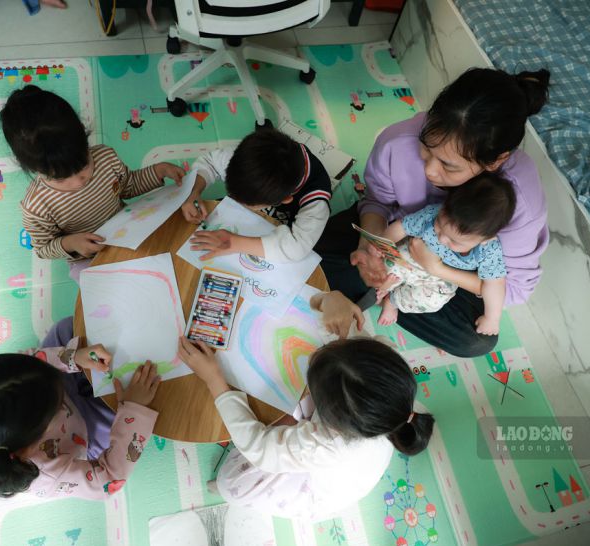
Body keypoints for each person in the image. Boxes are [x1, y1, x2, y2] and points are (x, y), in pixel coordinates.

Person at [315, 67, 551, 357]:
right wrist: (372, 244)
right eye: (426, 150)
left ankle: (387, 297)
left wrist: (437, 269)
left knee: (476, 339)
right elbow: (377, 202)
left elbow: (510, 287)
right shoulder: (397, 142)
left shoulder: (518, 201)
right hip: (399, 239)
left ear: (495, 161)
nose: (429, 170)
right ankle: (377, 291)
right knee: (311, 251)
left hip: (449, 279)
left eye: (449, 166)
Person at [176, 292, 434, 521]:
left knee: (230, 483)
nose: (312, 354)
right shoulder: (381, 361)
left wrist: (215, 381)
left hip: (319, 491)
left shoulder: (328, 445)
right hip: (357, 446)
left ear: (330, 419)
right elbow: (340, 332)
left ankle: (225, 487)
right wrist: (329, 299)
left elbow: (258, 447)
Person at [0, 317, 161, 499]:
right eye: (56, 404)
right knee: (129, 408)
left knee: (65, 329)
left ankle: (62, 373)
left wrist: (74, 358)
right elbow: (109, 480)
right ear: (29, 445)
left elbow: (32, 360)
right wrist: (133, 410)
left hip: (47, 385)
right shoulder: (47, 474)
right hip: (83, 434)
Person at [0, 85, 185, 281]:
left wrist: (159, 171)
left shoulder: (105, 157)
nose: (79, 180)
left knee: (170, 259)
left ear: (83, 136)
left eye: (84, 165)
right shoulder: (37, 206)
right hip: (87, 257)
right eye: (62, 177)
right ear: (35, 169)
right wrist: (71, 243)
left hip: (127, 231)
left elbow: (129, 185)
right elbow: (44, 249)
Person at [376, 172, 516, 336]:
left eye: (454, 241)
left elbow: (495, 285)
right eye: (439, 226)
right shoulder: (432, 213)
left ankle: (393, 300)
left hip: (442, 278)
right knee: (384, 263)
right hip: (413, 254)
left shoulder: (489, 250)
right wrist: (380, 245)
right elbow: (401, 227)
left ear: (485, 239)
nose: (441, 239)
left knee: (434, 301)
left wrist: (492, 318)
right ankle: (384, 286)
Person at [182, 128, 332, 263]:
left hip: (279, 226)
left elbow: (296, 247)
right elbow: (210, 162)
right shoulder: (250, 157)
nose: (236, 204)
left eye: (248, 205)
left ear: (285, 200)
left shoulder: (316, 201)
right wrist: (194, 191)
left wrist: (233, 242)